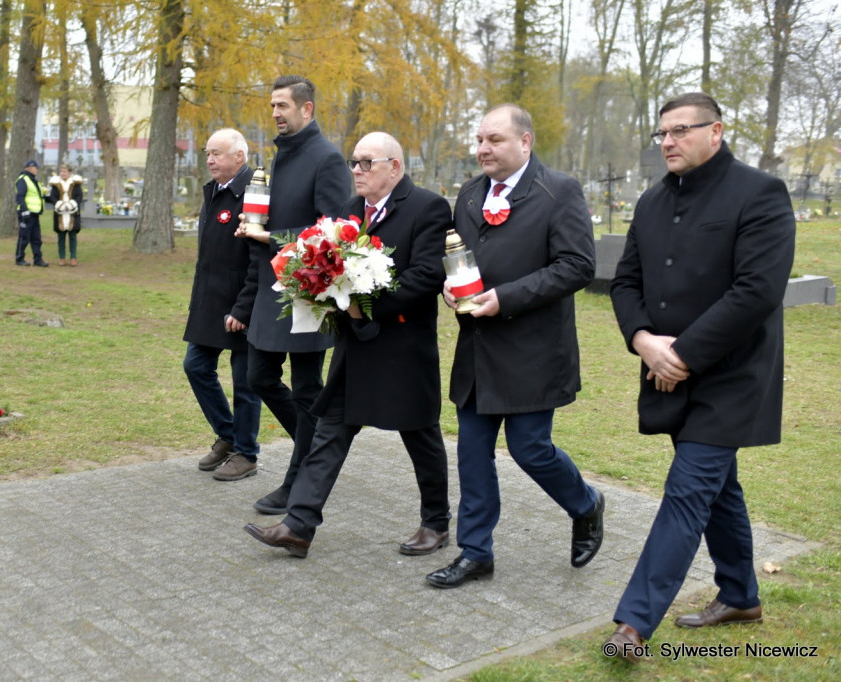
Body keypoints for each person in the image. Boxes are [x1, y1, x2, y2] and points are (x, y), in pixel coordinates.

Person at [603, 93, 795, 661]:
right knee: (718, 490)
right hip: (667, 371)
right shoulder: (651, 200)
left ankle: (633, 626)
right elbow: (625, 283)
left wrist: (681, 354)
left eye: (681, 131)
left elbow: (756, 290)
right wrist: (643, 341)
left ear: (716, 131)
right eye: (662, 132)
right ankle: (741, 595)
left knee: (688, 492)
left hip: (733, 376)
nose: (668, 141)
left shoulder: (759, 193)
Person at [244, 132, 452, 558]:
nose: (355, 170)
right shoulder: (350, 210)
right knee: (330, 433)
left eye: (365, 163)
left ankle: (436, 522)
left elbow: (426, 277)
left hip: (402, 347)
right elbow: (331, 264)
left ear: (394, 166)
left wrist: (361, 300)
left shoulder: (427, 207)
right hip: (355, 345)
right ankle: (298, 526)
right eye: (353, 162)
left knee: (420, 435)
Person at [426, 104, 604, 589]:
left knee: (530, 449)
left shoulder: (558, 191)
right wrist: (452, 287)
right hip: (479, 350)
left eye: (495, 139)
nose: (483, 148)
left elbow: (576, 266)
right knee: (473, 453)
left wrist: (503, 298)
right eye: (480, 139)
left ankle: (586, 504)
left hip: (533, 351)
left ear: (525, 142)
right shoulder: (468, 194)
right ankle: (476, 552)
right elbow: (461, 260)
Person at [232, 75, 352, 490]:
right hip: (272, 287)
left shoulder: (327, 159)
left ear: (307, 109)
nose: (275, 114)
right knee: (259, 376)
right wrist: (254, 227)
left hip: (307, 289)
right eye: (272, 106)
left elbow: (333, 230)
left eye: (282, 106)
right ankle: (316, 447)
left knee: (305, 389)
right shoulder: (280, 156)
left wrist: (272, 237)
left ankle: (299, 479)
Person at [183, 129, 263, 479]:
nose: (210, 159)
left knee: (245, 381)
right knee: (196, 366)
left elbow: (258, 259)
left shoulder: (254, 193)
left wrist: (243, 309)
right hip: (210, 301)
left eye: (217, 153)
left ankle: (247, 453)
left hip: (242, 305)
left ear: (239, 157)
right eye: (207, 153)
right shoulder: (216, 190)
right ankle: (228, 435)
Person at [47, 163, 84, 266]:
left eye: (64, 171)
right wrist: (61, 205)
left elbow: (79, 196)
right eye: (61, 171)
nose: (62, 173)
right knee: (61, 237)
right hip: (60, 213)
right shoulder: (56, 183)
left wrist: (71, 205)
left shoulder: (75, 183)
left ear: (69, 172)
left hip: (73, 213)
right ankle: (62, 258)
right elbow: (52, 197)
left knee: (72, 236)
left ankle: (73, 257)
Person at [15, 160, 48, 267]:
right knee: (24, 237)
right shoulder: (23, 180)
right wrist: (24, 211)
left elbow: (37, 196)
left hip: (35, 213)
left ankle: (38, 259)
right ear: (29, 168)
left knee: (36, 238)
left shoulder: (34, 181)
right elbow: (20, 197)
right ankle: (19, 258)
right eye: (35, 167)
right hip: (26, 213)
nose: (37, 169)